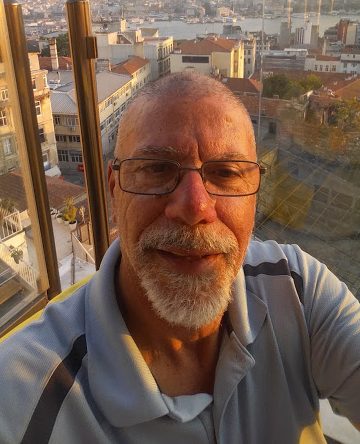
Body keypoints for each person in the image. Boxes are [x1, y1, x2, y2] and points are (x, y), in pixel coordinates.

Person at [0, 72, 359, 444]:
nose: (195, 207)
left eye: (225, 173)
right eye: (157, 168)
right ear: (113, 188)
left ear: (255, 193)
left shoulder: (297, 290)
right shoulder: (21, 396)